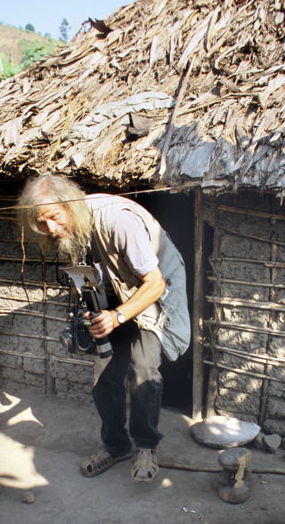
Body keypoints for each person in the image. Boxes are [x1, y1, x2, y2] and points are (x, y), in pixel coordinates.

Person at [18, 173, 190, 483]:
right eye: (42, 225)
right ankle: (116, 445)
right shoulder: (71, 230)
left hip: (152, 292)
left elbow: (155, 283)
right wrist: (87, 308)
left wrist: (118, 316)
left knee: (143, 371)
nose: (51, 229)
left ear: (69, 203)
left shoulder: (117, 221)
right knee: (105, 376)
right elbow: (84, 277)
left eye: (53, 218)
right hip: (116, 294)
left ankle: (147, 446)